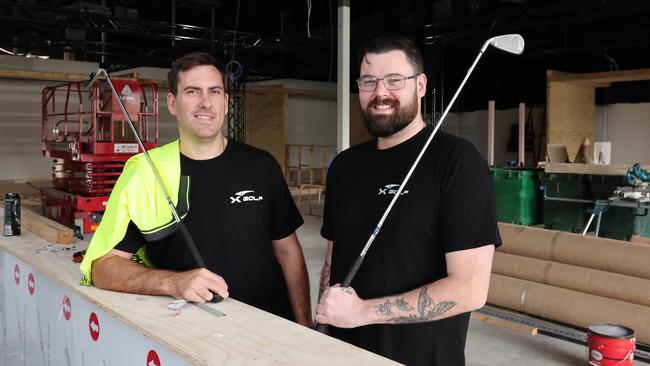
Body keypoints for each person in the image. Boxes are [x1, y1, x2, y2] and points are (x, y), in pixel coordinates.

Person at [80, 52, 312, 326]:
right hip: (193, 334)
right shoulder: (147, 174)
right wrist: (174, 282)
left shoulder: (262, 165)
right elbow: (103, 268)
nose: (206, 103)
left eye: (214, 92)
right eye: (193, 91)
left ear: (226, 103)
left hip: (273, 326)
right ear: (172, 103)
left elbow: (288, 251)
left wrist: (304, 323)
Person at [315, 34, 501, 365]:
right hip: (343, 354)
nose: (380, 93)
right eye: (369, 81)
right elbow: (334, 259)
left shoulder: (456, 161)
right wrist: (323, 324)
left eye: (394, 80)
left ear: (421, 85)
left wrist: (361, 312)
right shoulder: (344, 166)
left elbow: (470, 289)